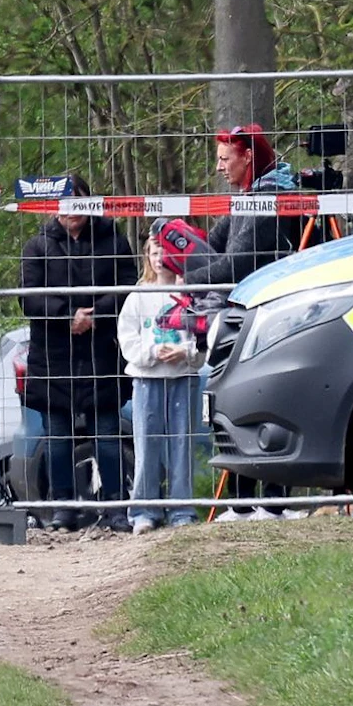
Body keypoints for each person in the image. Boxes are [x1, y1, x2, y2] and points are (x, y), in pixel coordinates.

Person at [183, 123, 303, 520]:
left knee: (268, 402)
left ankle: (273, 501)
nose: (219, 168)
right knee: (232, 402)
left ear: (247, 155)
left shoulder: (269, 197)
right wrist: (179, 246)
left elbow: (238, 262)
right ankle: (242, 501)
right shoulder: (243, 197)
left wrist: (191, 278)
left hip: (268, 315)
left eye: (224, 159)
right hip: (239, 313)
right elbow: (215, 245)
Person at [20, 176, 136, 532]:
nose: (70, 210)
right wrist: (66, 316)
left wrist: (94, 315)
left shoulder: (113, 239)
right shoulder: (36, 245)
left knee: (106, 430)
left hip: (101, 350)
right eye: (63, 202)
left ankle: (116, 507)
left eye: (76, 201)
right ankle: (62, 508)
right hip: (52, 353)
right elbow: (28, 296)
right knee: (55, 434)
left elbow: (127, 285)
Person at [118, 221, 209, 534]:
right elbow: (128, 338)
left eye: (165, 251)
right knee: (147, 446)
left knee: (182, 445)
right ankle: (143, 509)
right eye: (154, 252)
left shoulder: (189, 293)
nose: (159, 258)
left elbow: (202, 337)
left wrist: (186, 352)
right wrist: (151, 353)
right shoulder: (137, 297)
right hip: (147, 380)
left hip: (183, 378)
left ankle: (182, 509)